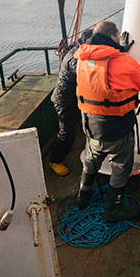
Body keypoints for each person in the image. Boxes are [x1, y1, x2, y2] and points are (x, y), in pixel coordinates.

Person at [74, 20, 140, 221]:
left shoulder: (82, 58)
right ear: (112, 37)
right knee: (120, 166)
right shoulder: (121, 63)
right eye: (118, 36)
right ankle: (113, 209)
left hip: (90, 124)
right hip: (116, 127)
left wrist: (120, 50)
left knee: (92, 160)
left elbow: (102, 78)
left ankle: (82, 197)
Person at [48, 28, 93, 176]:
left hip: (76, 99)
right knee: (66, 134)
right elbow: (86, 71)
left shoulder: (82, 50)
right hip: (64, 101)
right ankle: (54, 160)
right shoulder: (75, 58)